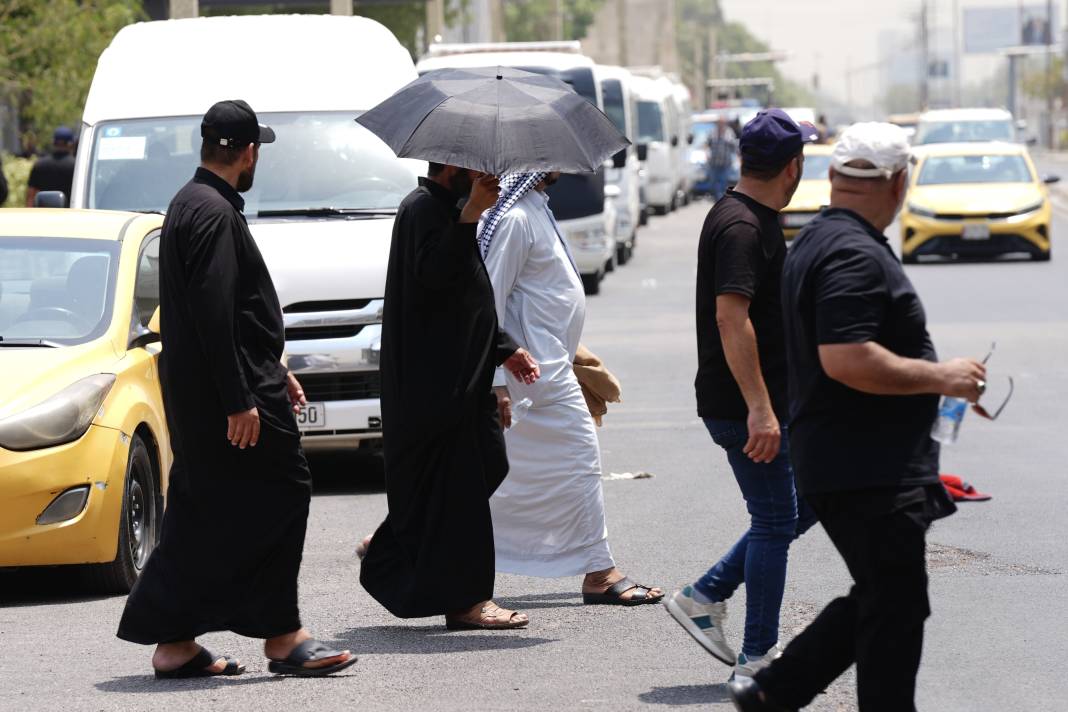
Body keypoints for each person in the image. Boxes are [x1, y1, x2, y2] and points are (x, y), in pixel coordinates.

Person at [728, 123, 986, 712]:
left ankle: (772, 691)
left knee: (887, 596)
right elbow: (847, 358)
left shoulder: (822, 236)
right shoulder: (850, 251)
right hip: (867, 467)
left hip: (850, 459)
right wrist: (942, 376)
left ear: (836, 177)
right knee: (894, 604)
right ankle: (777, 691)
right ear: (898, 182)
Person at [117, 100, 356, 679]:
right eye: (257, 151)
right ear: (248, 153)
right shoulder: (217, 214)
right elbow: (212, 312)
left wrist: (273, 368)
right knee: (283, 491)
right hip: (230, 393)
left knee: (203, 507)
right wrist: (241, 398)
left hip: (212, 386)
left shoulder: (186, 203)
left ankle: (173, 642)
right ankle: (282, 635)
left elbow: (214, 316)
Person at [665, 109, 819, 683]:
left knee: (805, 506)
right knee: (776, 521)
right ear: (793, 166)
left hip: (761, 402)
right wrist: (760, 408)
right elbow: (732, 319)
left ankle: (705, 594)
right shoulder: (742, 227)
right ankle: (756, 658)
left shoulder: (749, 215)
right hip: (744, 407)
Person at [359, 162, 540, 631]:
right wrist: (470, 218)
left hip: (467, 376)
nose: (487, 175)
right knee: (458, 492)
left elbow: (468, 298)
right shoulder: (424, 210)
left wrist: (505, 348)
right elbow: (436, 277)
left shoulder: (449, 209)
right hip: (436, 386)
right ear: (451, 166)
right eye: (476, 167)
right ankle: (468, 601)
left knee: (487, 467)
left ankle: (398, 539)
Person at [479, 172, 664, 607]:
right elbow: (488, 298)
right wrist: (497, 378)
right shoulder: (515, 220)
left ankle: (403, 536)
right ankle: (600, 573)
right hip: (529, 374)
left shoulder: (536, 209)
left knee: (505, 478)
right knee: (581, 461)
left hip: (549, 366)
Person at [26, 126, 76, 206]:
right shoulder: (76, 166)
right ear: (71, 144)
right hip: (71, 215)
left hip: (44, 215)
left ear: (53, 142)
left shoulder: (39, 165)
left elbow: (31, 196)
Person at [706, 117, 737, 201]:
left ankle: (721, 199)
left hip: (725, 163)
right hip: (714, 163)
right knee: (713, 182)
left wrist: (728, 140)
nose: (720, 125)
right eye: (719, 123)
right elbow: (707, 144)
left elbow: (734, 146)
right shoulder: (712, 132)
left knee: (724, 182)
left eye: (722, 123)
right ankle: (717, 198)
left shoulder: (729, 132)